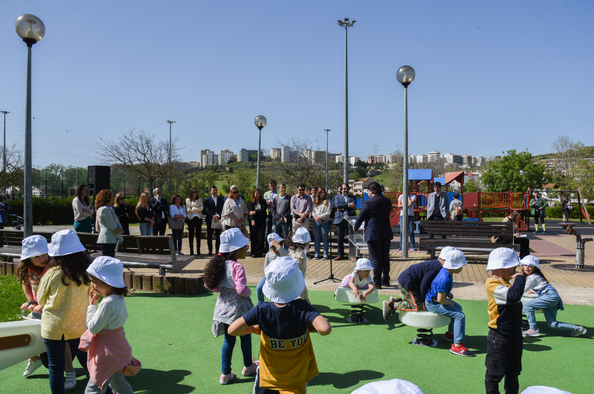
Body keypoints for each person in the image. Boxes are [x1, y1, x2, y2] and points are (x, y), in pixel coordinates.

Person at [228, 256, 332, 393]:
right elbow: (325, 329)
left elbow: (232, 330)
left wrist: (254, 329)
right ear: (296, 283)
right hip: (296, 378)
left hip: (268, 378)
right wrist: (309, 326)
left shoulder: (261, 310)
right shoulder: (302, 307)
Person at [36, 229, 91, 394]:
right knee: (88, 363)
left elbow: (40, 299)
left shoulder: (52, 274)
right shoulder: (86, 274)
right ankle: (106, 390)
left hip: (52, 327)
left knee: (55, 367)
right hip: (78, 326)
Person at [18, 235, 77, 384]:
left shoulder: (53, 266)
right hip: (38, 308)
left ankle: (70, 369)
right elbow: (26, 284)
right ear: (28, 258)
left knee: (60, 339)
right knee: (27, 331)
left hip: (54, 309)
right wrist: (30, 301)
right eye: (36, 256)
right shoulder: (27, 269)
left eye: (44, 253)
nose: (42, 258)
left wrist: (45, 305)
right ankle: (33, 358)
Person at [203, 228, 257, 385]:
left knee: (228, 340)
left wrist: (223, 290)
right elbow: (241, 290)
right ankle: (248, 366)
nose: (246, 249)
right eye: (244, 247)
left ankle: (225, 373)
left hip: (223, 309)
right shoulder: (237, 267)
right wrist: (249, 293)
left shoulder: (219, 265)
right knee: (246, 336)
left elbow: (209, 285)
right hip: (239, 309)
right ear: (236, 250)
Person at [80, 256, 141, 394]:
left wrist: (91, 306)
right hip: (117, 349)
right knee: (118, 383)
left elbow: (93, 327)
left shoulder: (108, 303)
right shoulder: (118, 298)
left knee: (94, 388)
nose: (93, 286)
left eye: (95, 282)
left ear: (108, 282)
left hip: (106, 353)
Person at [485, 247, 527, 394]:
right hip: (499, 336)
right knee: (494, 374)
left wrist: (515, 279)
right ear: (502, 267)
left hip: (515, 335)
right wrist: (520, 277)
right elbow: (513, 296)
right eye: (514, 266)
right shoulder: (492, 284)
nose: (517, 269)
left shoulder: (505, 281)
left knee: (513, 373)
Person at [382, 246, 457, 321]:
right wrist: (423, 301)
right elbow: (424, 284)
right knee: (416, 306)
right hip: (408, 282)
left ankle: (397, 300)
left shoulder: (438, 266)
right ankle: (390, 306)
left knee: (415, 300)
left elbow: (435, 284)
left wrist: (447, 293)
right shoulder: (436, 268)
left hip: (411, 281)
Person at [520, 255, 587, 338]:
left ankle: (533, 329)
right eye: (525, 265)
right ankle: (578, 329)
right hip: (553, 297)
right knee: (552, 324)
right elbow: (542, 285)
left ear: (535, 268)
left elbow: (522, 290)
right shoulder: (536, 276)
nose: (527, 267)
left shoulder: (532, 277)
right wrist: (533, 290)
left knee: (528, 305)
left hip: (550, 297)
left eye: (530, 266)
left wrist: (510, 293)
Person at [424, 249, 475, 357]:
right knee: (459, 315)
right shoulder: (445, 278)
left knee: (459, 307)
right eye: (461, 265)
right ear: (455, 266)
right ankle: (457, 346)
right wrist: (449, 303)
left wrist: (448, 293)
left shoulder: (445, 271)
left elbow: (440, 291)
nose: (462, 267)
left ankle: (451, 334)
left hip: (435, 300)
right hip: (433, 304)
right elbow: (440, 300)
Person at [354, 182, 393, 288]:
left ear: (371, 191)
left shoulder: (368, 202)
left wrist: (355, 227)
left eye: (368, 191)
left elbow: (360, 216)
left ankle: (377, 282)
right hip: (385, 232)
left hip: (373, 233)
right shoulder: (387, 201)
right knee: (385, 258)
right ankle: (386, 280)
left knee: (375, 258)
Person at [256, 232, 288, 305]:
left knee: (277, 291)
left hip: (281, 277)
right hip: (269, 276)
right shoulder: (268, 254)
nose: (277, 247)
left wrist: (279, 248)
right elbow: (265, 267)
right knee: (259, 287)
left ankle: (282, 303)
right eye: (275, 246)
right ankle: (260, 304)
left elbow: (286, 256)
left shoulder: (283, 253)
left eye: (279, 244)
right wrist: (268, 276)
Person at [286, 227, 311, 304]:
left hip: (298, 278)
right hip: (297, 279)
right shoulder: (300, 253)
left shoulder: (293, 249)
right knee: (300, 297)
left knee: (304, 294)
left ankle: (308, 306)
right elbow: (295, 265)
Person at [95, 189, 123, 257]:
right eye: (111, 197)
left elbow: (117, 222)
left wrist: (120, 228)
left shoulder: (110, 208)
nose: (113, 198)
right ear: (107, 198)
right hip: (107, 240)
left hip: (111, 240)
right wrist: (120, 238)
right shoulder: (104, 209)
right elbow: (113, 227)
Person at [332, 183, 356, 260]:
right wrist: (349, 205)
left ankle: (352, 255)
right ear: (341, 189)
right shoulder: (337, 197)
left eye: (346, 188)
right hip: (340, 220)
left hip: (350, 220)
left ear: (349, 189)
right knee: (340, 238)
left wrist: (342, 207)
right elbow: (337, 206)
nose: (345, 190)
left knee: (351, 238)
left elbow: (354, 206)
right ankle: (340, 254)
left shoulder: (353, 197)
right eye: (343, 188)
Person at [312, 188, 332, 260]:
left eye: (324, 193)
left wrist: (320, 217)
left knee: (325, 239)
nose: (322, 194)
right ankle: (317, 254)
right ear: (318, 194)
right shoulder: (315, 202)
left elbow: (328, 212)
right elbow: (313, 212)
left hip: (325, 222)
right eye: (321, 193)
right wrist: (316, 218)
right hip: (316, 222)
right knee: (317, 239)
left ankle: (325, 254)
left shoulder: (328, 202)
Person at [204, 186, 224, 255]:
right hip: (210, 219)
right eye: (213, 190)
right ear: (211, 191)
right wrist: (213, 216)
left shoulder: (221, 199)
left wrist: (217, 216)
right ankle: (210, 250)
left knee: (218, 236)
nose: (215, 191)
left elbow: (222, 209)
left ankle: (217, 250)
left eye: (216, 190)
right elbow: (207, 209)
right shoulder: (207, 199)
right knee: (209, 236)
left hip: (218, 220)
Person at [185, 188, 204, 255]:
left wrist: (194, 208)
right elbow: (188, 210)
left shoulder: (199, 199)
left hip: (198, 218)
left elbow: (202, 208)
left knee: (198, 234)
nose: (195, 193)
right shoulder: (187, 200)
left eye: (195, 192)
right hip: (190, 218)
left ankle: (198, 249)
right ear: (190, 193)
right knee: (191, 234)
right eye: (193, 192)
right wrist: (196, 209)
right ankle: (191, 250)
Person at [249, 188, 267, 257]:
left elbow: (263, 209)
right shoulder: (251, 202)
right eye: (256, 193)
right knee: (254, 237)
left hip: (262, 221)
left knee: (260, 237)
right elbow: (250, 212)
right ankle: (253, 252)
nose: (257, 195)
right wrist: (252, 220)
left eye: (259, 193)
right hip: (254, 222)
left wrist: (255, 212)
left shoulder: (263, 201)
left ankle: (259, 252)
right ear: (254, 194)